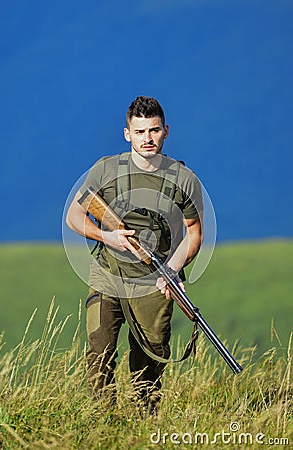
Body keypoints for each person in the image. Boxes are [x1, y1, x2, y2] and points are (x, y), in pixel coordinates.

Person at [66, 96, 203, 414]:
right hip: (108, 273)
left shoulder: (183, 178)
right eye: (140, 132)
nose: (148, 139)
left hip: (155, 280)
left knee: (151, 355)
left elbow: (194, 234)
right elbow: (75, 215)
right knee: (100, 348)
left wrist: (173, 267)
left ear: (166, 131)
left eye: (154, 130)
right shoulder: (106, 170)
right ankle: (103, 420)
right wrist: (107, 235)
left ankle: (145, 419)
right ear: (127, 133)